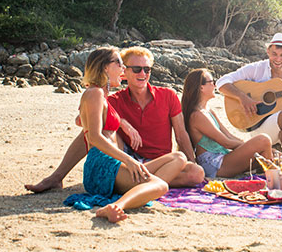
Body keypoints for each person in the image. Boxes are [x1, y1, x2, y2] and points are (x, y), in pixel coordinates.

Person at [26, 46, 205, 193]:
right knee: (97, 129)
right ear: (124, 71)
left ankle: (142, 183)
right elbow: (82, 121)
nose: (143, 73)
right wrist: (122, 123)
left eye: (147, 69)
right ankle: (57, 176)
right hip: (127, 158)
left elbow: (181, 135)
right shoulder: (112, 98)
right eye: (136, 69)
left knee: (195, 173)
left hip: (159, 160)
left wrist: (193, 160)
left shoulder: (167, 95)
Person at [62, 47, 188, 222]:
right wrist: (128, 159)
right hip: (102, 165)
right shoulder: (95, 93)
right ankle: (117, 206)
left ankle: (136, 190)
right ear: (106, 67)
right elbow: (94, 137)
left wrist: (121, 122)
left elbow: (83, 119)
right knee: (160, 185)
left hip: (110, 163)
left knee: (178, 157)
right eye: (119, 64)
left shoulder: (100, 94)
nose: (123, 69)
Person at [182, 68, 282, 177]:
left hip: (224, 157)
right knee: (263, 141)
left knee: (269, 149)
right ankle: (275, 173)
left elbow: (228, 135)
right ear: (201, 87)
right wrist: (250, 146)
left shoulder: (208, 111)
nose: (215, 85)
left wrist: (249, 146)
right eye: (211, 82)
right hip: (214, 164)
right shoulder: (197, 115)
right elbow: (225, 142)